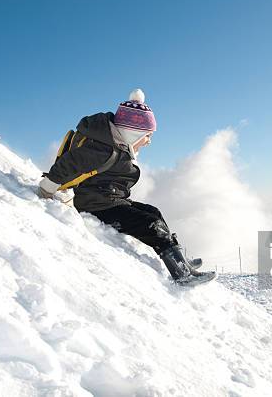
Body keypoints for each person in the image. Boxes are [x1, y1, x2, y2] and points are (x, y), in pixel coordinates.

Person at [38, 89, 215, 286]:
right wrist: (47, 188)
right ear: (133, 133)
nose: (149, 141)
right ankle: (182, 275)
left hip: (110, 200)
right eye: (147, 136)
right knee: (151, 226)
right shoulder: (103, 149)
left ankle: (181, 259)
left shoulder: (115, 145)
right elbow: (70, 164)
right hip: (98, 207)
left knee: (153, 212)